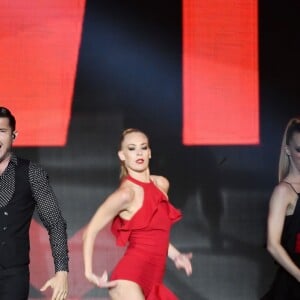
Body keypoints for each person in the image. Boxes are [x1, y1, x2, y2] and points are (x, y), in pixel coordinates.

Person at [83, 128, 192, 300]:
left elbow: (153, 233)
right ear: (122, 155)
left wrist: (175, 255)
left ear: (149, 152)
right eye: (132, 149)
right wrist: (89, 273)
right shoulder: (126, 194)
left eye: (143, 147)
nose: (139, 153)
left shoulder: (161, 184)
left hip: (154, 281)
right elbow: (90, 232)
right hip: (128, 280)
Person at [0, 107, 69, 300]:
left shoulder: (32, 173)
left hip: (12, 277)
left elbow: (55, 223)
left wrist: (62, 271)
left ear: (13, 135)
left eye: (1, 131)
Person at [262, 117, 300, 299]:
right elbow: (273, 244)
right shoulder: (283, 192)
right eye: (299, 149)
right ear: (288, 150)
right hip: (293, 282)